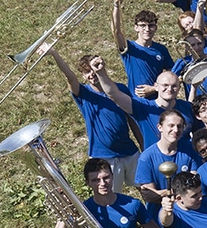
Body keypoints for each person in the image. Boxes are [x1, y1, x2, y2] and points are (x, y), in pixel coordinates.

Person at [47, 48, 140, 190]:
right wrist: (54, 53)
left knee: (146, 187)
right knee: (109, 196)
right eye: (86, 72)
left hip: (129, 150)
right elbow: (70, 78)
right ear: (83, 76)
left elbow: (132, 119)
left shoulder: (120, 89)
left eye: (93, 69)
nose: (91, 74)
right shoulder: (83, 93)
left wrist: (143, 144)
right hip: (103, 155)